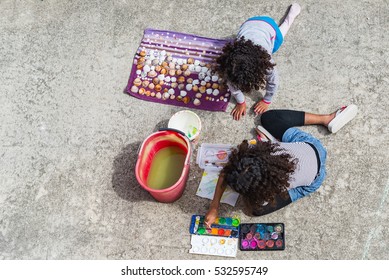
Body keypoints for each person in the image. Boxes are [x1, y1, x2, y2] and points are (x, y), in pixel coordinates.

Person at [204, 105, 358, 225]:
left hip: (315, 180)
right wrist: (214, 207)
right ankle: (326, 119)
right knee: (268, 118)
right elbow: (228, 171)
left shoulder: (276, 185)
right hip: (311, 146)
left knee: (255, 210)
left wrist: (215, 205)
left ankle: (326, 119)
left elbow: (254, 200)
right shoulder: (257, 153)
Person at [215, 3, 302, 120]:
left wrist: (267, 100)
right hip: (249, 23)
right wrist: (241, 102)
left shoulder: (266, 61)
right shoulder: (231, 63)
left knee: (278, 41)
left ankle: (289, 18)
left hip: (269, 26)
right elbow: (231, 83)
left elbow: (273, 82)